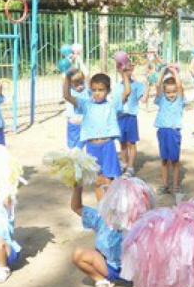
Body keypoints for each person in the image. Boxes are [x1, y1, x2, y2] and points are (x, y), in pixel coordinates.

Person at [63, 71, 131, 200]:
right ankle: (101, 210)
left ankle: (110, 209)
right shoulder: (86, 104)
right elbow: (67, 95)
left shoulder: (112, 105)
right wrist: (67, 77)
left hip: (108, 147)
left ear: (108, 90)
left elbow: (127, 92)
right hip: (92, 148)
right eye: (94, 90)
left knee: (110, 181)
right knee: (98, 181)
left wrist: (124, 74)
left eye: (101, 90)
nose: (97, 93)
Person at [68, 182, 126, 287]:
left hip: (133, 270)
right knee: (78, 254)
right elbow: (77, 207)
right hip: (109, 266)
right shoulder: (101, 218)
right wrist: (77, 187)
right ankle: (102, 281)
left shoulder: (138, 223)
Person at [154, 65, 186, 194]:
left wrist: (174, 73)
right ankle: (165, 184)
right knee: (164, 160)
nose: (171, 95)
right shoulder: (161, 100)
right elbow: (157, 86)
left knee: (175, 160)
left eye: (173, 92)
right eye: (168, 92)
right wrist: (162, 71)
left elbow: (179, 86)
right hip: (162, 131)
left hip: (174, 132)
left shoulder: (179, 101)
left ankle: (176, 185)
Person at [113, 61, 147, 177]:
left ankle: (131, 167)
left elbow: (143, 100)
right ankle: (124, 163)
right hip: (119, 118)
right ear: (119, 70)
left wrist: (148, 86)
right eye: (124, 70)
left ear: (132, 70)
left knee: (131, 143)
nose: (126, 72)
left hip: (131, 117)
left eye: (128, 70)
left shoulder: (138, 85)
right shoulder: (117, 87)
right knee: (122, 143)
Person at [65, 59, 90, 149]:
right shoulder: (70, 91)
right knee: (73, 149)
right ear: (71, 84)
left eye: (81, 83)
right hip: (73, 125)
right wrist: (69, 62)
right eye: (76, 85)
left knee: (84, 148)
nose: (79, 86)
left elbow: (86, 74)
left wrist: (79, 59)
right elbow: (64, 78)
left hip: (85, 125)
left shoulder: (86, 90)